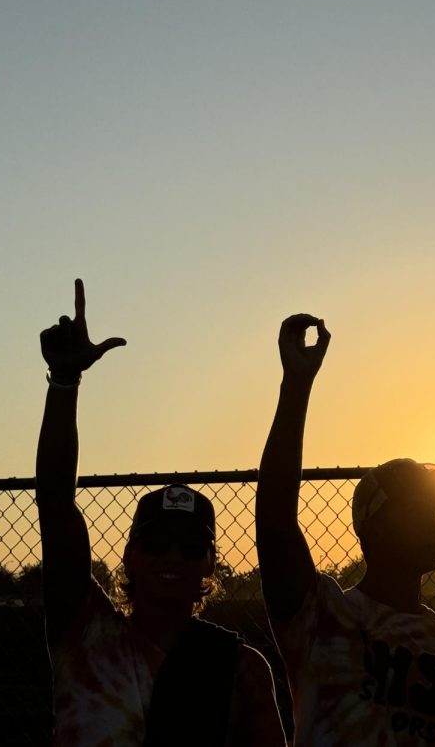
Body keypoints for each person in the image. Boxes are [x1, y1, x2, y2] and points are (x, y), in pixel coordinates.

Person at [35, 279, 285, 747]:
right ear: (129, 555)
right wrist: (65, 383)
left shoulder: (240, 669)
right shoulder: (84, 631)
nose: (172, 556)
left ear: (210, 564)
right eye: (155, 542)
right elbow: (55, 504)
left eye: (191, 547)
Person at [255, 313, 435, 746]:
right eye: (417, 508)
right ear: (372, 528)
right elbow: (276, 522)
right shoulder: (323, 617)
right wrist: (296, 386)